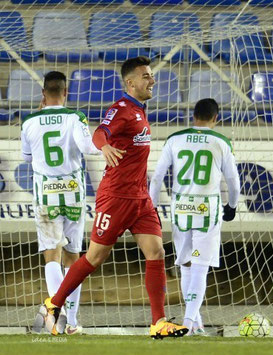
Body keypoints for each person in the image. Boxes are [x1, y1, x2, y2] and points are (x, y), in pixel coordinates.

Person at [38, 57, 188, 339]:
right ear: (130, 82)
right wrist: (104, 146)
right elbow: (99, 133)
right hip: (116, 197)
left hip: (140, 198)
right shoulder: (121, 110)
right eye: (146, 76)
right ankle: (53, 304)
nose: (152, 80)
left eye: (151, 75)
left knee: (156, 252)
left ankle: (158, 322)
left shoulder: (141, 112)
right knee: (94, 258)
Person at [149, 98, 241, 336]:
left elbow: (157, 177)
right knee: (200, 265)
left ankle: (196, 323)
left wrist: (153, 206)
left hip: (180, 208)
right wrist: (231, 205)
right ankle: (188, 323)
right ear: (216, 118)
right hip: (206, 209)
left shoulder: (175, 139)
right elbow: (233, 180)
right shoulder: (221, 142)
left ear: (193, 116)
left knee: (186, 263)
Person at [23, 71, 102, 335]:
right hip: (73, 192)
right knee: (73, 257)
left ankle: (58, 316)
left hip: (46, 193)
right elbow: (88, 147)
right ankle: (74, 321)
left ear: (43, 94)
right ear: (66, 92)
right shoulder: (74, 117)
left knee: (51, 255)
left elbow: (26, 157)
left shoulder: (30, 121)